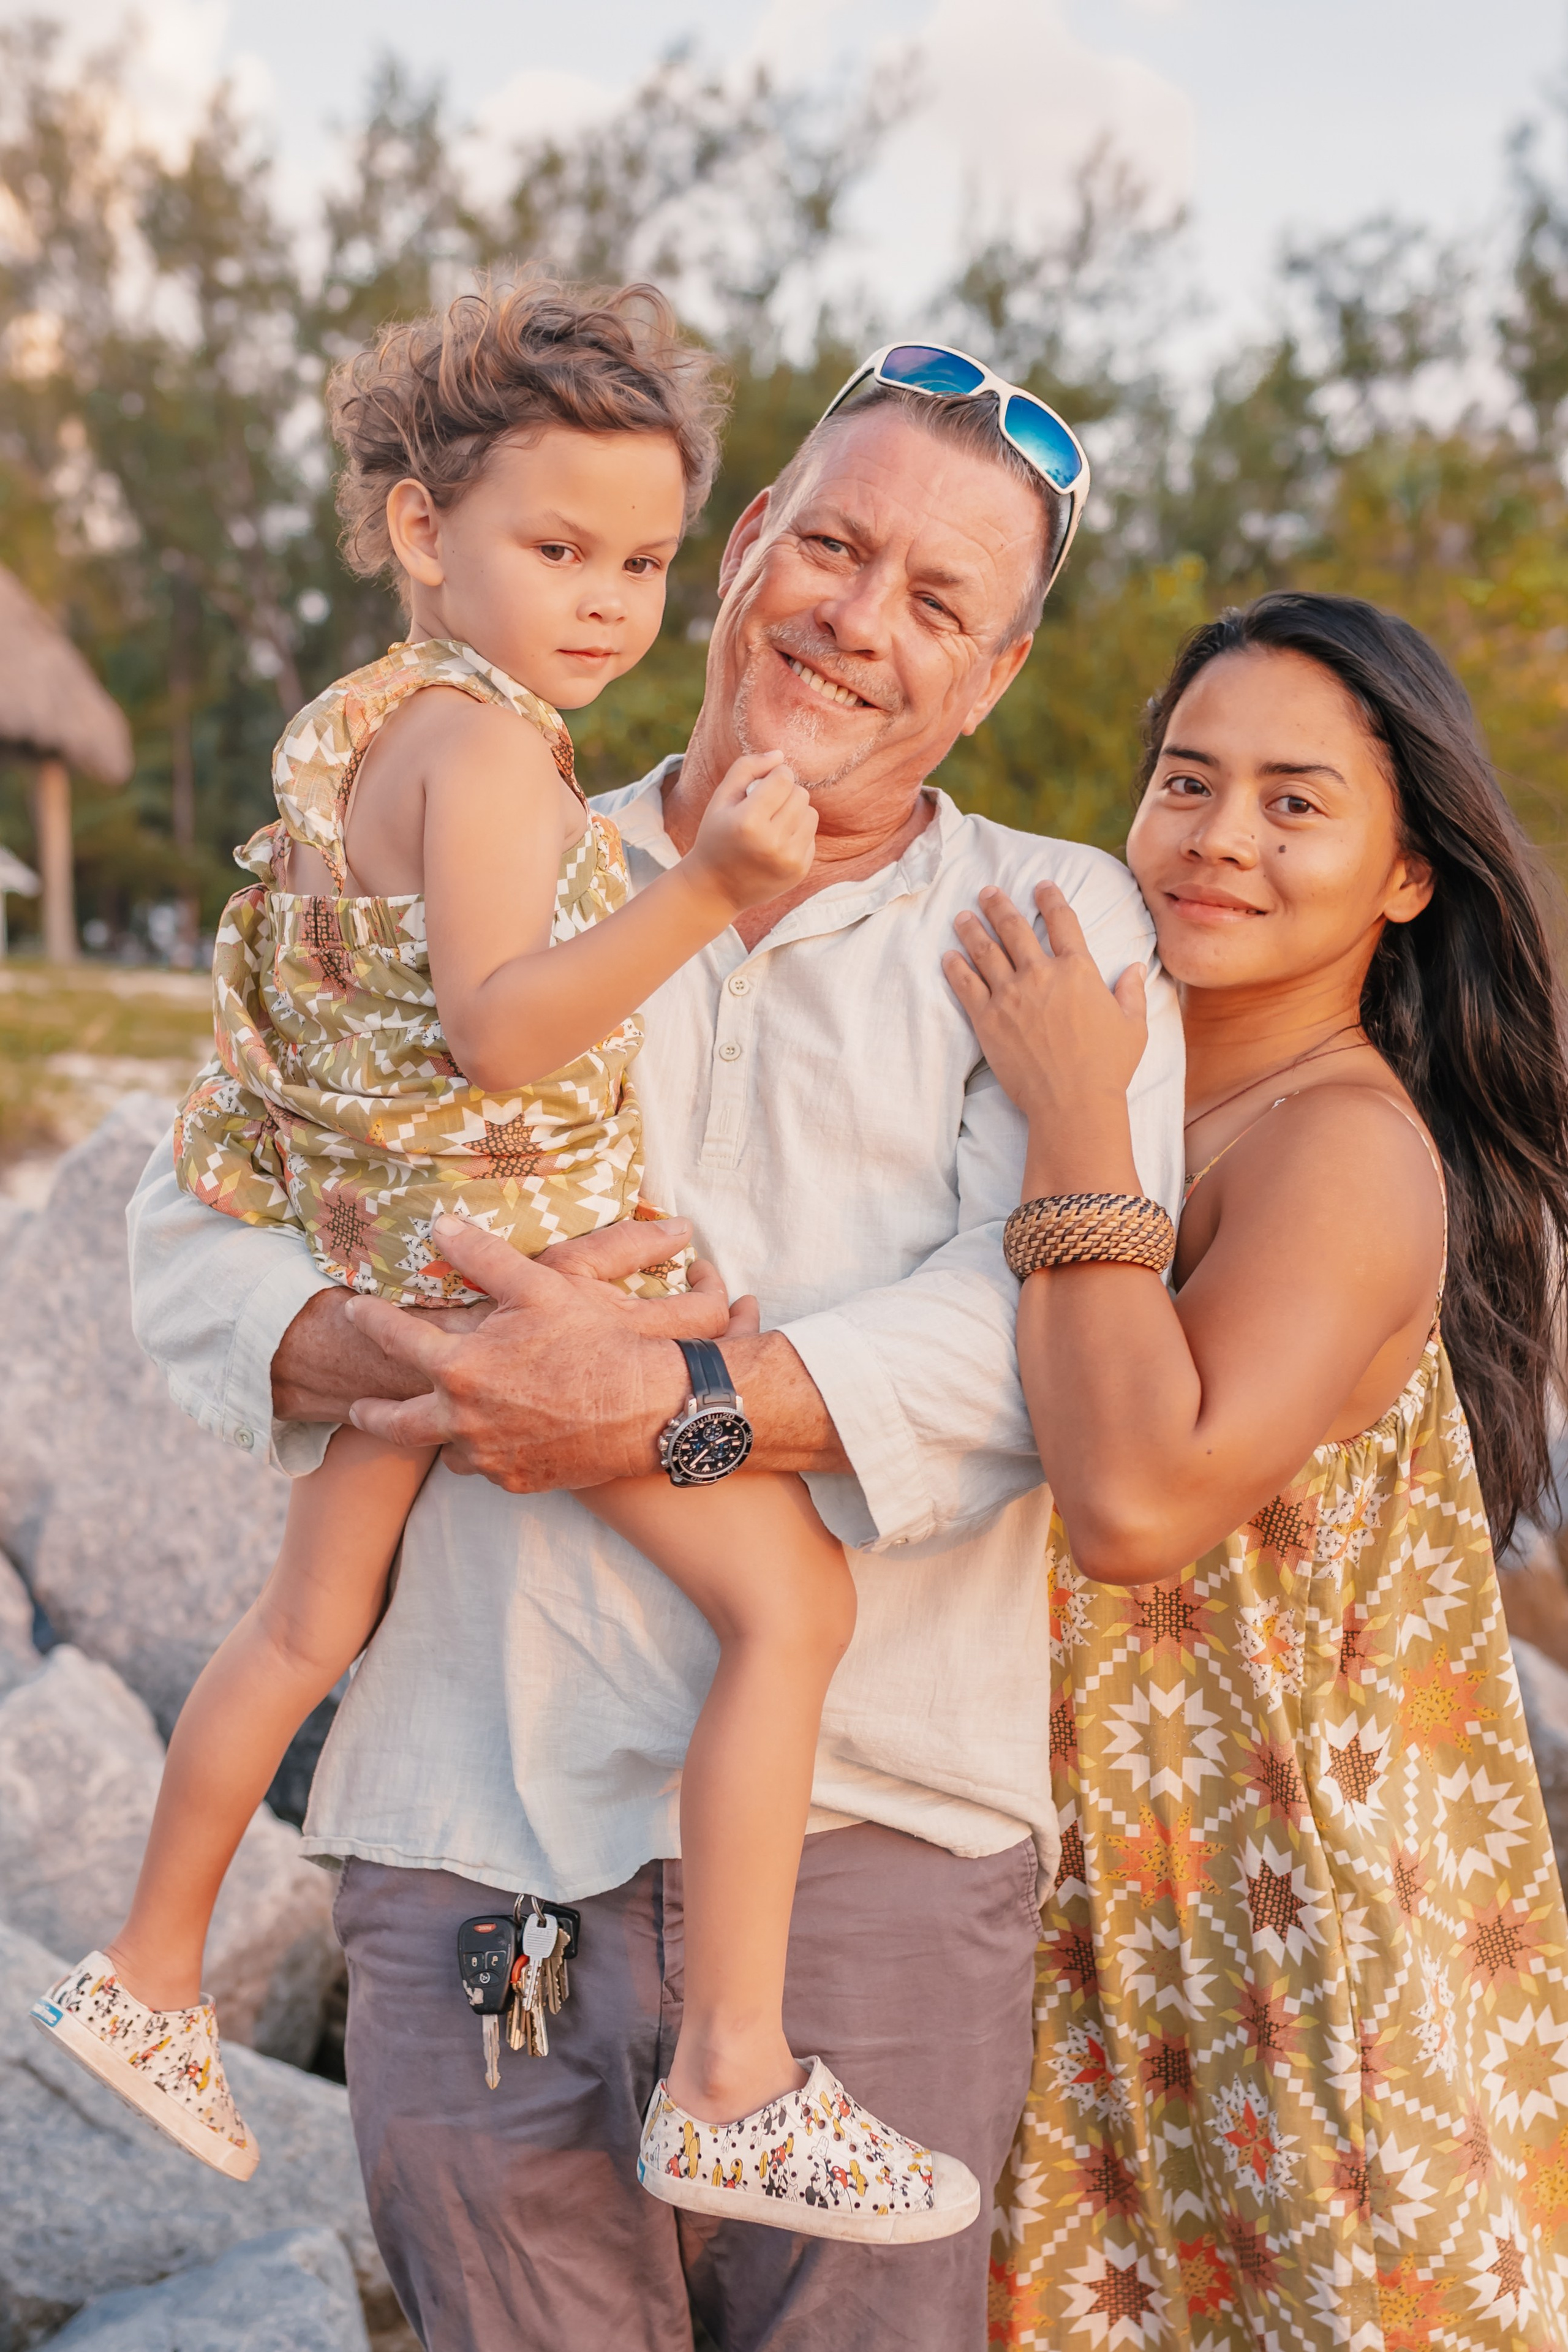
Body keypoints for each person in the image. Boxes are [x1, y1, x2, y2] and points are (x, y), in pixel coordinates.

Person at [119, 339, 1185, 2349]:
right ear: (746, 549)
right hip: (467, 1846)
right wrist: (407, 1354)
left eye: (940, 602)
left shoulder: (1060, 927)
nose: (863, 622)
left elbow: (1023, 1340)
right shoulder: (481, 831)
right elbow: (189, 1220)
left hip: (878, 1853)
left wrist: (662, 1405)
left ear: (1000, 674)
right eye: (836, 545)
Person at [31, 277, 987, 2238]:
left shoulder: (360, 733)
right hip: (504, 1270)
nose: (607, 604)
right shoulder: (484, 756)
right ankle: (733, 2072)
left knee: (302, 1632)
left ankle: (144, 1973)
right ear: (416, 531)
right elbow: (504, 1027)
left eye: (639, 560)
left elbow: (350, 1052)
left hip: (417, 1247)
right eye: (556, 549)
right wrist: (715, 893)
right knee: (792, 1613)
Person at [946, 591, 1568, 2344]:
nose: (1220, 838)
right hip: (1106, 1920)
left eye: (1296, 803)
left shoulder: (1346, 1151)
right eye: (1187, 780)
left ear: (1406, 873)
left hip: (1273, 1979)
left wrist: (1075, 1124)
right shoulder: (1161, 1089)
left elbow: (1138, 1503)